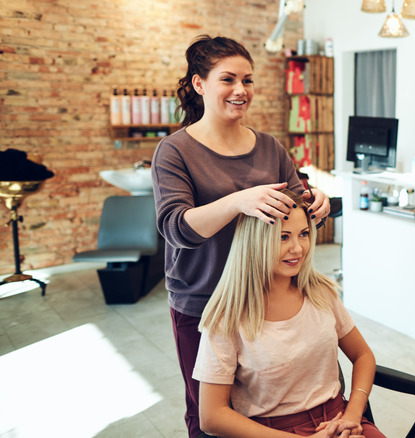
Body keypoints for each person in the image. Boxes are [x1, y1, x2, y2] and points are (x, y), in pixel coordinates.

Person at [152, 35, 330, 437]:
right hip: (204, 302)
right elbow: (175, 227)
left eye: (247, 80)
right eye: (228, 79)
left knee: (267, 409)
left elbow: (295, 213)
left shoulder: (269, 147)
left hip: (267, 296)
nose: (241, 90)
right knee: (210, 416)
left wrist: (316, 204)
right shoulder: (175, 151)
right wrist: (237, 202)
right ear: (199, 84)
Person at [194, 190, 384, 438]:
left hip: (338, 420)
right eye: (283, 237)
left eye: (303, 234)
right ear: (255, 242)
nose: (298, 248)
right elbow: (211, 417)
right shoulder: (227, 319)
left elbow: (363, 355)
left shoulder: (320, 293)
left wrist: (353, 415)